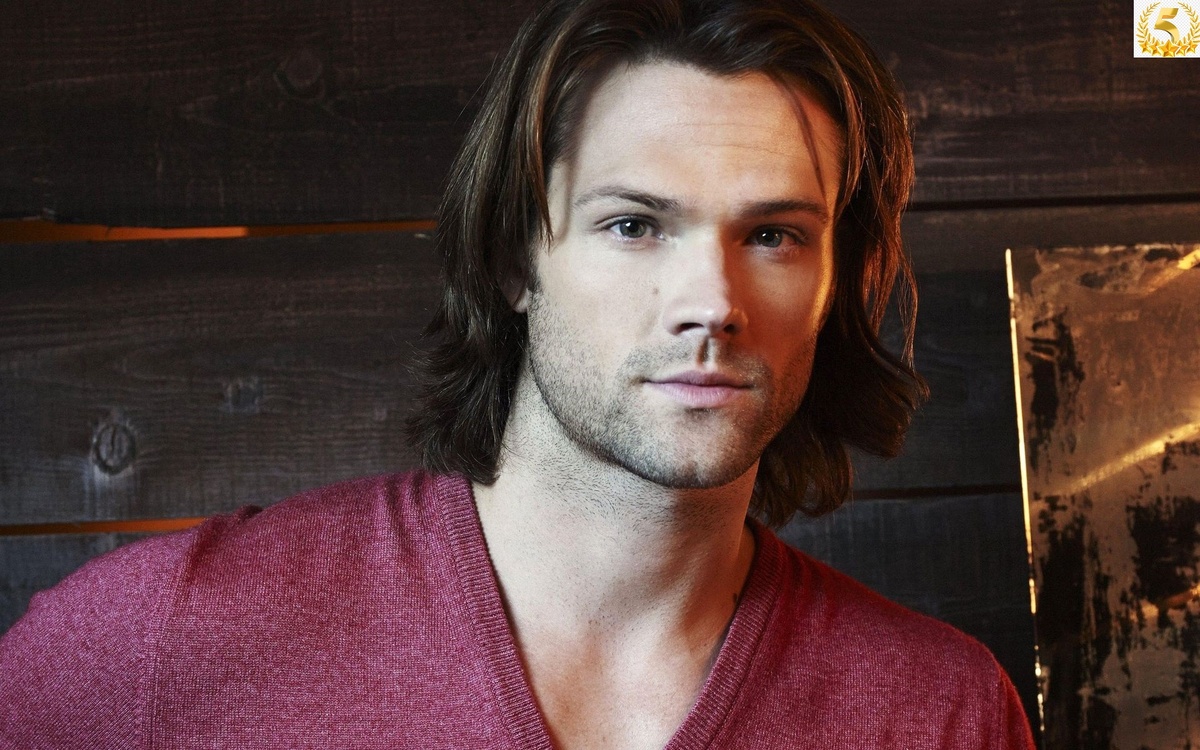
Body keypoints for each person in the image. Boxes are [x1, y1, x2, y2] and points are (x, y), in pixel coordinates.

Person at [0, 0, 1036, 747]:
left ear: (837, 280)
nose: (713, 301)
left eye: (773, 235)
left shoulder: (940, 711)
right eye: (634, 225)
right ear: (513, 261)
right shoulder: (173, 632)